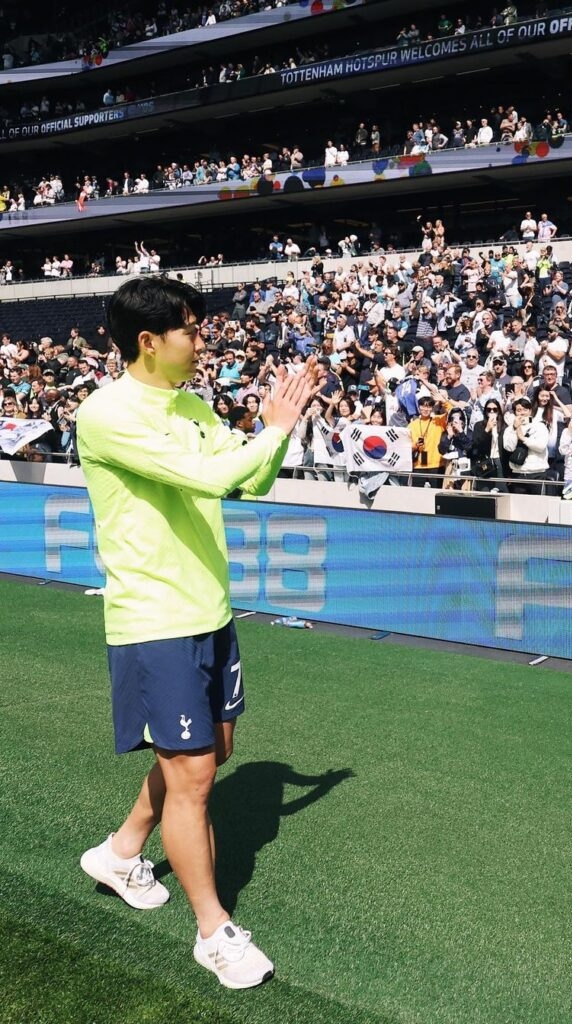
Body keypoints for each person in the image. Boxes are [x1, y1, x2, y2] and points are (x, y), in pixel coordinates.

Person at [76, 277, 316, 990]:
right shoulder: (107, 415)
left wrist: (277, 432)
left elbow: (249, 483)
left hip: (210, 610)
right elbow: (205, 478)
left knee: (212, 755)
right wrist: (268, 430)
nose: (202, 340)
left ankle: (121, 853)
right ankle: (213, 931)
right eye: (190, 329)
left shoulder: (192, 404)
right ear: (149, 341)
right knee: (196, 775)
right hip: (154, 618)